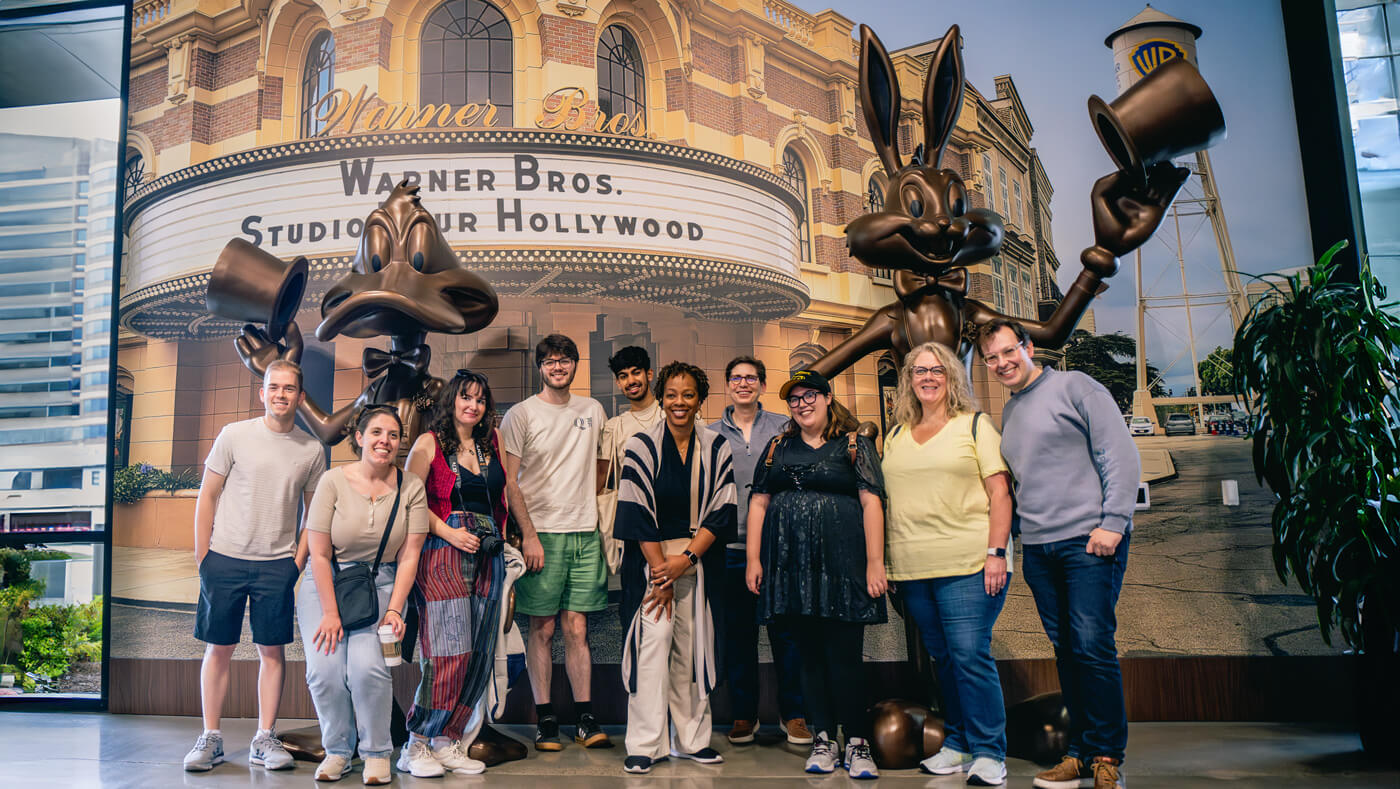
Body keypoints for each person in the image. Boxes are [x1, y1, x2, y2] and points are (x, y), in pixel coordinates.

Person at [977, 319, 1140, 789]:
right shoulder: (1012, 412)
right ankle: (1079, 752)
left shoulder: (1075, 387)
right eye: (992, 358)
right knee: (1067, 651)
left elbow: (1119, 454)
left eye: (1009, 351)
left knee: (1092, 646)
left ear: (1028, 347)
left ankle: (1107, 755)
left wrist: (1113, 523)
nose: (1003, 363)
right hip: (1041, 549)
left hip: (1088, 541)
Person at [881, 341, 1013, 786]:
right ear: (909, 380)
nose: (928, 377)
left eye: (937, 370)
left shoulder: (975, 426)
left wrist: (997, 553)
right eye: (919, 371)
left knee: (970, 656)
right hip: (913, 569)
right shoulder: (897, 433)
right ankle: (957, 744)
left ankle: (990, 752)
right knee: (944, 659)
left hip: (969, 564)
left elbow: (1000, 494)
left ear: (951, 376)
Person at [184, 359, 326, 773]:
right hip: (223, 559)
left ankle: (265, 738)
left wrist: (295, 564)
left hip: (275, 566)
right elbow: (207, 495)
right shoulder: (234, 435)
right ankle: (210, 738)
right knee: (219, 649)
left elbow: (313, 515)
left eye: (289, 388)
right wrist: (203, 555)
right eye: (273, 387)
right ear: (262, 393)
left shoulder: (312, 450)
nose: (281, 394)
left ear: (300, 397)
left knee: (273, 652)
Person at [747, 369, 887, 779]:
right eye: (794, 399)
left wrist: (876, 563)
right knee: (807, 658)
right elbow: (758, 503)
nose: (802, 404)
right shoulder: (778, 446)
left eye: (811, 396)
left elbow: (872, 503)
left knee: (845, 658)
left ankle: (857, 743)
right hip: (792, 572)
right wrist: (755, 560)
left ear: (828, 398)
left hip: (843, 570)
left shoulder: (853, 444)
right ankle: (823, 739)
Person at [614, 361, 736, 774]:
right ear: (661, 397)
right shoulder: (640, 445)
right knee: (654, 644)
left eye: (688, 394)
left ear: (700, 399)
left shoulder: (717, 445)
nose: (679, 402)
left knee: (693, 647)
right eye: (671, 394)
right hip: (651, 561)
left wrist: (686, 560)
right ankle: (645, 743)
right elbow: (634, 513)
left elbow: (721, 512)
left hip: (696, 560)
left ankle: (691, 739)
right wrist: (661, 574)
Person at [299, 406, 429, 784]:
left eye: (392, 435)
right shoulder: (332, 481)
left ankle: (376, 752)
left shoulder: (411, 487)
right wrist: (330, 613)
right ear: (359, 437)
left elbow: (410, 555)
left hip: (383, 583)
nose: (384, 441)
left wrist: (394, 610)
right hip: (327, 584)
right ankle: (338, 749)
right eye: (376, 433)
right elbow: (319, 553)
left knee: (368, 668)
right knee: (323, 672)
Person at [500, 334, 611, 750]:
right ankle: (546, 718)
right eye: (550, 362)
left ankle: (585, 717)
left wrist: (592, 514)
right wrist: (528, 534)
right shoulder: (521, 415)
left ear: (575, 365)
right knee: (542, 629)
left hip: (585, 532)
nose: (558, 367)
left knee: (577, 628)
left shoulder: (593, 410)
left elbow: (602, 469)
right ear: (540, 367)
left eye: (565, 360)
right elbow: (510, 482)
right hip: (541, 534)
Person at [397, 370, 509, 777]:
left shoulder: (489, 445)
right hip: (442, 549)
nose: (472, 405)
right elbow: (408, 501)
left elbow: (505, 496)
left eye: (480, 400)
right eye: (466, 397)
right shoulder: (429, 443)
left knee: (477, 651)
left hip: (487, 551)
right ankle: (417, 743)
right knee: (448, 650)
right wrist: (449, 532)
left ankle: (449, 739)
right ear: (452, 401)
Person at [706, 355, 810, 746]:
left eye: (751, 378)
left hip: (778, 547)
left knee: (787, 634)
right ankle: (744, 716)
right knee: (738, 637)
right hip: (729, 547)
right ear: (728, 385)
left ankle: (794, 714)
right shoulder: (711, 434)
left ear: (763, 386)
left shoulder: (785, 429)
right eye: (736, 378)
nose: (744, 384)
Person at [597, 346, 662, 573]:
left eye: (636, 372)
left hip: (673, 521)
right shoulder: (615, 427)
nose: (631, 381)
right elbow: (602, 478)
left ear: (649, 374)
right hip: (635, 525)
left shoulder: (671, 414)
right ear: (618, 383)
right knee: (637, 598)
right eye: (623, 376)